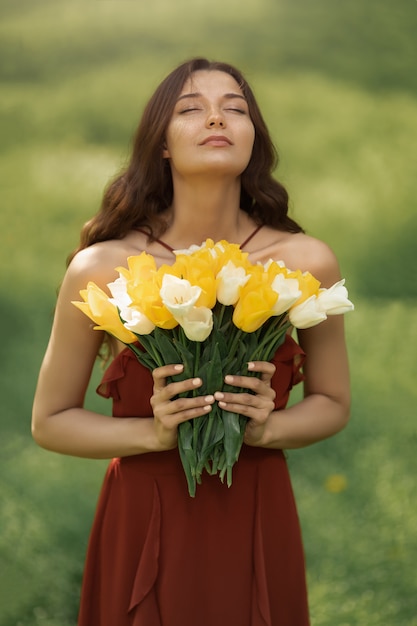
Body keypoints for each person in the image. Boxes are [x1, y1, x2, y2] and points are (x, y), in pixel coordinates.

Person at [32, 58, 351, 626]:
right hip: (143, 513)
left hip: (254, 505)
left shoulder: (303, 263)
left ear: (254, 138)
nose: (216, 118)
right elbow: (50, 420)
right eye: (190, 109)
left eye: (235, 108)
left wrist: (268, 426)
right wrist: (153, 434)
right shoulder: (102, 268)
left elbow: (333, 402)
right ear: (161, 143)